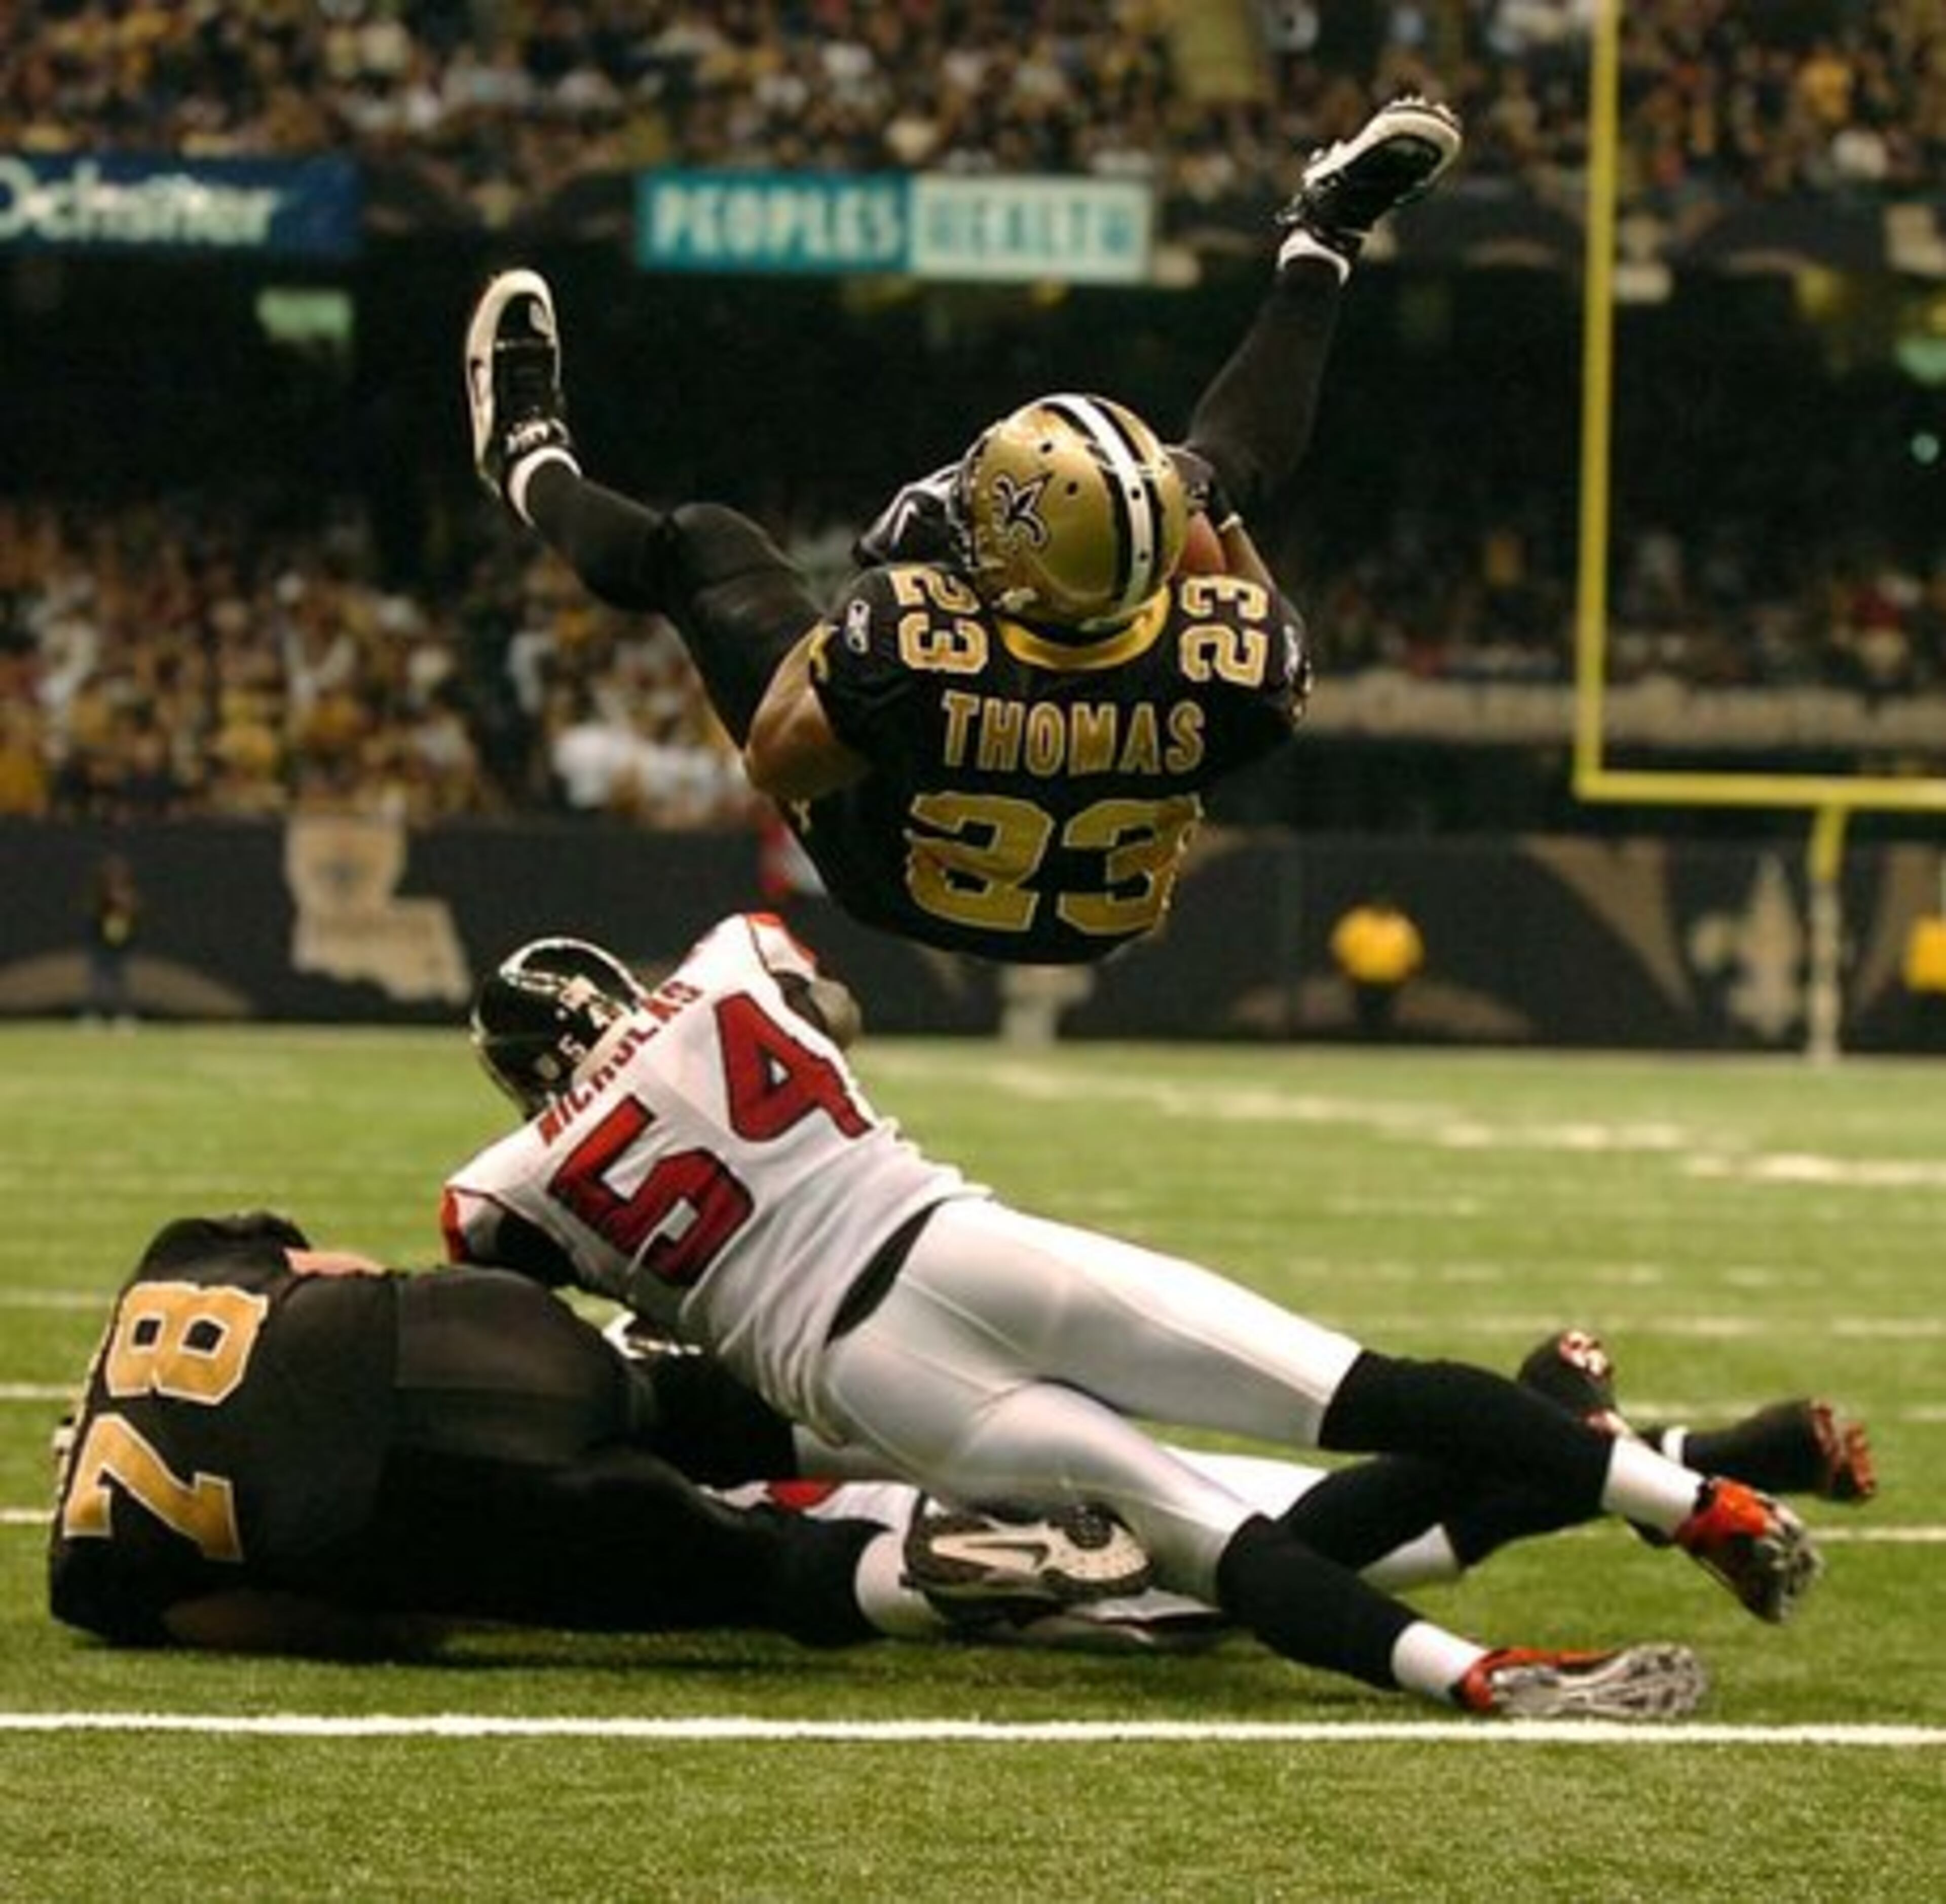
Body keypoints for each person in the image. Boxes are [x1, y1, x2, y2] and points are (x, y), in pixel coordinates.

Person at [440, 915, 1825, 1721]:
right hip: (965, 1246)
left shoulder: (505, 1181)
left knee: (1204, 1538)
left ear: (513, 1074)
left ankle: (1476, 1682)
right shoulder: (725, 962)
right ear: (617, 985)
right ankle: (1692, 1494)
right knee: (1355, 1386)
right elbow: (835, 1012)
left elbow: (501, 1302)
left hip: (870, 1383)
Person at [462, 98, 1464, 965]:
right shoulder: (1246, 660)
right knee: (1220, 467)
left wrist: (880, 594)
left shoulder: (910, 632)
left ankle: (527, 463)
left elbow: (776, 761)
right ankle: (1322, 240)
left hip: (893, 874)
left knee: (702, 546)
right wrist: (1196, 498)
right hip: (1093, 917)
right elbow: (1248, 603)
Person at [48, 1211, 1148, 1655]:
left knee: (751, 1572)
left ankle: (917, 1575)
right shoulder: (170, 1265)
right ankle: (986, 1426)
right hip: (464, 1335)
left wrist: (418, 1614)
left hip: (420, 1494)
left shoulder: (88, 1570)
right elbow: (334, 1274)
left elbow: (278, 1617)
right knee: (684, 1407)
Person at [631, 1318, 1876, 1656]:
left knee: (1279, 1563)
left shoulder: (710, 1410)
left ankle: (1562, 1405)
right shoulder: (705, 1386)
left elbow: (839, 1448)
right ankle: (1696, 1447)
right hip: (980, 1497)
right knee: (1397, 1549)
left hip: (992, 1504)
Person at [1329, 893, 1425, 1040]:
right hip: (1362, 977)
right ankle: (1364, 1040)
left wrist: (1407, 971)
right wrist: (1346, 968)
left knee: (1385, 1012)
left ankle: (1382, 1041)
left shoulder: (1400, 926)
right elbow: (1343, 946)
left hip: (1391, 978)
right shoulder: (1358, 923)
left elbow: (1412, 951)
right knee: (1364, 1012)